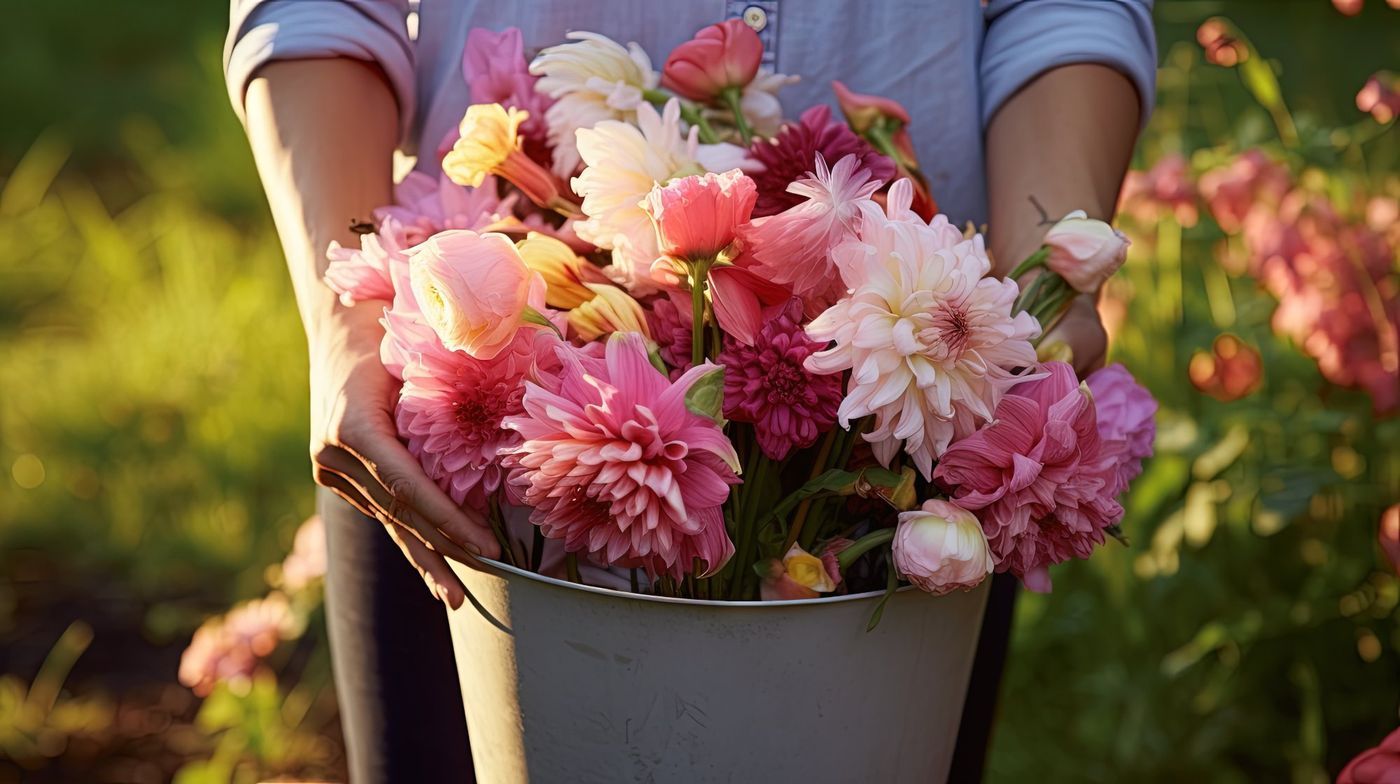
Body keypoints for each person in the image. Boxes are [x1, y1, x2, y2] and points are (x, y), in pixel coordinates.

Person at [224, 2, 1156, 781]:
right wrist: (346, 333)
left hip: (923, 433)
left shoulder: (936, 403)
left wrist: (1044, 292)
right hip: (442, 421)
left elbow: (1062, 6)